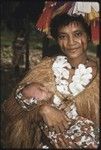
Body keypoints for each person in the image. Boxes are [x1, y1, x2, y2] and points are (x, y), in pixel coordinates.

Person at [1, 13, 99, 149]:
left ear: (87, 36)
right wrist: (42, 109)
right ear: (57, 40)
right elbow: (13, 109)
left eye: (77, 34)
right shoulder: (45, 70)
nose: (71, 42)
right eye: (63, 36)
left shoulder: (97, 77)